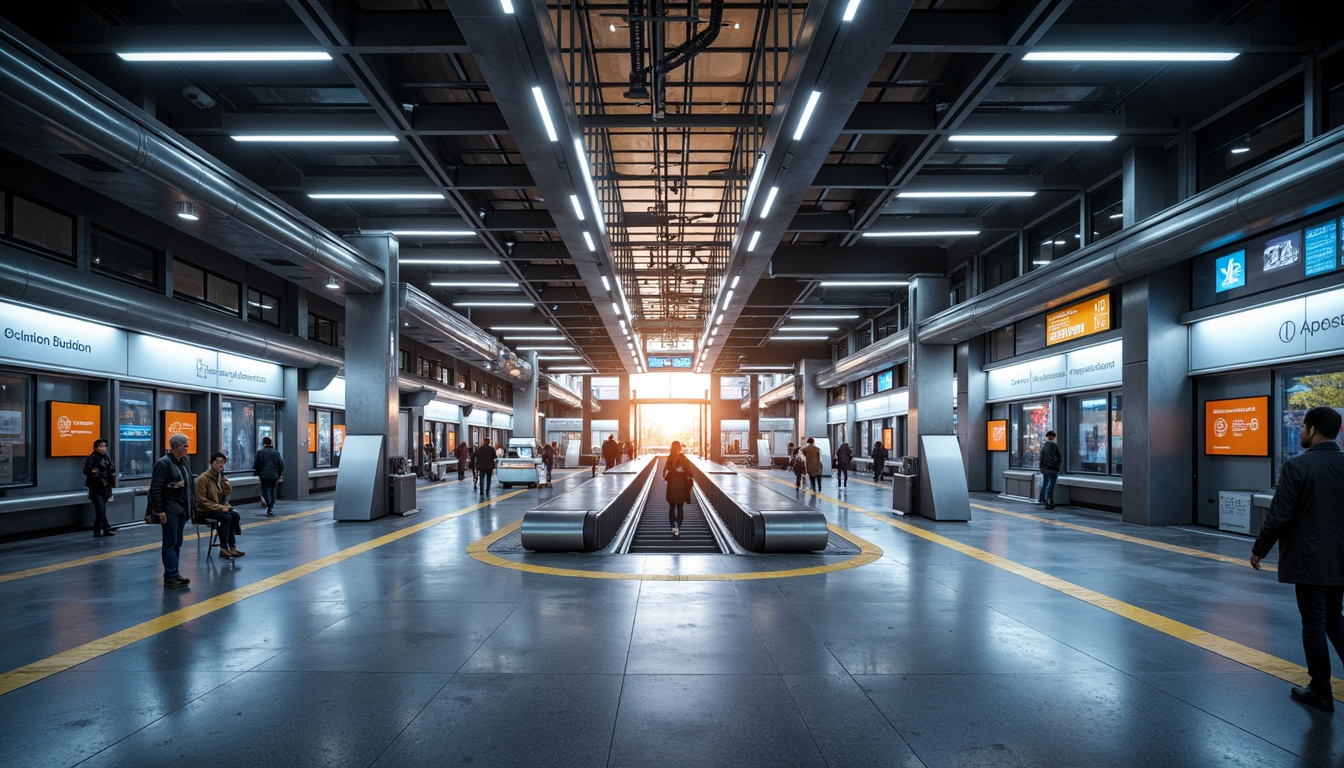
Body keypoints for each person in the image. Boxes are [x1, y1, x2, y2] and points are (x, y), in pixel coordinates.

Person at [1251, 406, 1344, 713]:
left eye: (1303, 426)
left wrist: (1260, 549)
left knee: (1315, 623)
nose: (1301, 430)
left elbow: (1279, 516)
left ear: (1313, 430)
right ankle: (1320, 687)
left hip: (1310, 559)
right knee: (1334, 619)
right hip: (1341, 558)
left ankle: (1320, 690)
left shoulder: (1297, 467)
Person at [149, 434, 194, 588]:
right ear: (175, 446)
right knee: (170, 542)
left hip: (182, 508)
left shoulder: (183, 462)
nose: (187, 448)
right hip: (170, 509)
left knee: (177, 542)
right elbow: (156, 489)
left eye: (187, 445)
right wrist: (160, 510)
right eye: (184, 446)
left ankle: (175, 572)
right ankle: (170, 575)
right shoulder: (163, 463)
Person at [195, 451, 244, 559]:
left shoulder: (219, 478)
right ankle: (223, 547)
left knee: (234, 515)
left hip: (216, 509)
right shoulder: (203, 479)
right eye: (218, 462)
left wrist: (224, 481)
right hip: (204, 510)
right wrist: (220, 507)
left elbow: (226, 493)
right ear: (212, 463)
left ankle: (232, 546)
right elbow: (202, 500)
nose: (221, 465)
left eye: (223, 462)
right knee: (226, 517)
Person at [83, 438, 116, 537]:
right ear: (96, 447)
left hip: (106, 487)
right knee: (101, 509)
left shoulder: (106, 458)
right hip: (96, 487)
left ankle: (106, 528)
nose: (103, 448)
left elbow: (111, 468)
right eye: (101, 446)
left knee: (101, 509)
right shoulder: (91, 458)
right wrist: (96, 473)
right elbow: (86, 471)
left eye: (104, 446)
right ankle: (97, 530)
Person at [663, 441, 693, 537]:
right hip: (681, 486)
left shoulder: (670, 458)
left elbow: (666, 473)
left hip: (672, 486)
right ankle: (677, 527)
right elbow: (689, 471)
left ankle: (673, 527)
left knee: (672, 507)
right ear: (680, 448)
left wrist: (672, 471)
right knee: (680, 507)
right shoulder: (683, 458)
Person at [253, 436, 284, 516]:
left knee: (265, 490)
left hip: (264, 475)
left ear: (264, 444)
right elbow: (281, 464)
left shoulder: (260, 453)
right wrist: (279, 474)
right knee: (273, 489)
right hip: (274, 475)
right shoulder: (276, 452)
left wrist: (259, 473)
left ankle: (269, 502)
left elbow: (257, 465)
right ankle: (271, 504)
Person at [1039, 430, 1062, 509]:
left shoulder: (1044, 446)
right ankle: (1049, 500)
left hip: (1045, 469)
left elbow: (1041, 458)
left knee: (1046, 484)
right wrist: (1057, 467)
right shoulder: (1055, 446)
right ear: (1053, 438)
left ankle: (1044, 499)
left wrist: (1041, 467)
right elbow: (1059, 458)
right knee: (1051, 485)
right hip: (1052, 469)